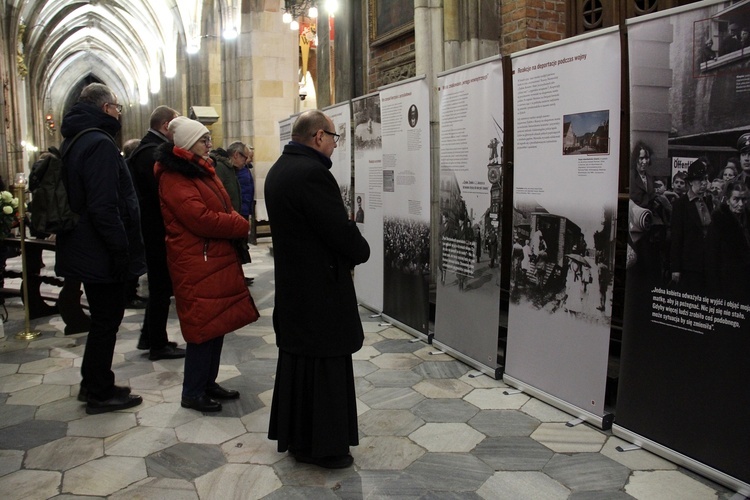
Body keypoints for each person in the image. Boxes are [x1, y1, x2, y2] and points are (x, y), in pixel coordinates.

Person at [266, 109, 370, 469]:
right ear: (318, 137)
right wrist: (359, 245)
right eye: (334, 138)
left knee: (300, 364)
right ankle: (324, 446)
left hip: (296, 289)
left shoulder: (280, 169)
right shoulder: (312, 174)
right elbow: (337, 232)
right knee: (324, 369)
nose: (335, 146)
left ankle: (298, 438)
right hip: (320, 292)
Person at [154, 116, 259, 412]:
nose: (209, 144)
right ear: (188, 144)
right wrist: (238, 225)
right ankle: (192, 391)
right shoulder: (175, 176)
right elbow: (198, 218)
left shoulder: (200, 169)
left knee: (217, 322)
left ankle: (207, 382)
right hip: (196, 259)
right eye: (203, 140)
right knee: (203, 325)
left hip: (212, 256)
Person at [57, 83, 146, 414]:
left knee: (103, 319)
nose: (119, 114)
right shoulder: (98, 143)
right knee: (107, 319)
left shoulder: (77, 138)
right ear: (106, 108)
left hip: (88, 246)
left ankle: (93, 382)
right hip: (99, 249)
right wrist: (120, 249)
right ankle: (98, 390)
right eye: (117, 108)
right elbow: (104, 205)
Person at [128, 105, 186, 361]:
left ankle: (150, 337)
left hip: (151, 229)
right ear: (166, 126)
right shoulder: (152, 153)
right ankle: (158, 345)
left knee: (160, 286)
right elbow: (163, 194)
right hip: (155, 230)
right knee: (161, 287)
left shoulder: (147, 149)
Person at [670, 159, 713, 292]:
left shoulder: (709, 201)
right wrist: (675, 268)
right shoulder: (681, 205)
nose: (704, 183)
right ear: (690, 182)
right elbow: (676, 237)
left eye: (706, 179)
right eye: (700, 180)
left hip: (709, 263)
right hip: (689, 265)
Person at [705, 180, 750, 300]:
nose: (741, 204)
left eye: (744, 199)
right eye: (736, 199)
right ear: (727, 200)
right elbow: (711, 260)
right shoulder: (718, 223)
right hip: (726, 285)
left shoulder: (747, 220)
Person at [122, 138, 148, 310]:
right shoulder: (130, 168)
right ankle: (128, 295)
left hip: (133, 218)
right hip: (131, 220)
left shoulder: (128, 167)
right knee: (132, 257)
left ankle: (131, 292)